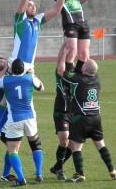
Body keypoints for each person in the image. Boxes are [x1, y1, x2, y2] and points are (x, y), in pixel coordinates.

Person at [0, 0, 70, 151]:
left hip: (28, 68)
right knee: (4, 97)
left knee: (8, 101)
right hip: (15, 67)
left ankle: (0, 132)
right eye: (30, 5)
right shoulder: (20, 20)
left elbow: (57, 9)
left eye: (34, 5)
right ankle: (0, 131)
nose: (33, 6)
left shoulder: (38, 20)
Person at [57, 47, 116, 183]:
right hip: (96, 117)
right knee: (100, 145)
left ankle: (80, 174)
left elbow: (61, 71)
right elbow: (90, 67)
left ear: (84, 70)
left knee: (75, 146)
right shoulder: (97, 79)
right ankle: (113, 171)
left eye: (83, 66)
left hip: (81, 117)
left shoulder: (78, 80)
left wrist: (64, 55)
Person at [0, 59, 45, 187]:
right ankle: (39, 173)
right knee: (36, 145)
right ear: (23, 69)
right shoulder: (30, 78)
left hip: (14, 119)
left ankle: (21, 178)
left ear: (12, 69)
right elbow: (42, 88)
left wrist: (7, 72)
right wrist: (33, 74)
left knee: (13, 151)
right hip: (30, 118)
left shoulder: (5, 80)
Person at [39, 0, 98, 72]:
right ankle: (68, 79)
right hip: (70, 23)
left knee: (84, 54)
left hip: (83, 22)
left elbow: (77, 2)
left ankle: (80, 79)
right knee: (71, 51)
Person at [50, 42, 73, 181]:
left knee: (75, 144)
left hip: (74, 113)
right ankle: (60, 170)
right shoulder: (60, 77)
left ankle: (57, 166)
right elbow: (59, 65)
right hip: (60, 112)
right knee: (64, 140)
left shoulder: (77, 78)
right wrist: (64, 47)